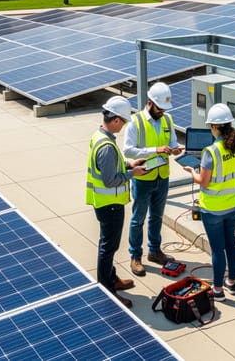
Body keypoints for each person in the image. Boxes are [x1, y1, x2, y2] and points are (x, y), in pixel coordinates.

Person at [87, 95, 148, 308]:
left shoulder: (101, 137)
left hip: (107, 203)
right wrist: (135, 173)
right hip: (109, 204)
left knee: (109, 245)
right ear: (115, 120)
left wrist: (130, 164)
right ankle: (107, 288)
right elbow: (110, 179)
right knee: (108, 247)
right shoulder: (106, 146)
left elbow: (113, 168)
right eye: (122, 121)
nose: (123, 126)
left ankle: (111, 278)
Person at [182, 103, 235, 301]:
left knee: (217, 249)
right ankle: (232, 283)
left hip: (213, 209)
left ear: (214, 127)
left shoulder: (211, 152)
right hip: (233, 205)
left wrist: (192, 172)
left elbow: (204, 181)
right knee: (231, 245)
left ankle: (217, 290)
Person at [123, 82, 184, 276]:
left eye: (165, 108)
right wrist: (154, 150)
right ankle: (135, 256)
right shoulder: (136, 122)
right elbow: (128, 150)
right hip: (143, 177)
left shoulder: (167, 119)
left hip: (162, 176)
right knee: (138, 219)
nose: (163, 112)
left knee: (156, 217)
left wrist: (174, 149)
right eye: (160, 108)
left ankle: (155, 251)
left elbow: (172, 142)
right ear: (150, 103)